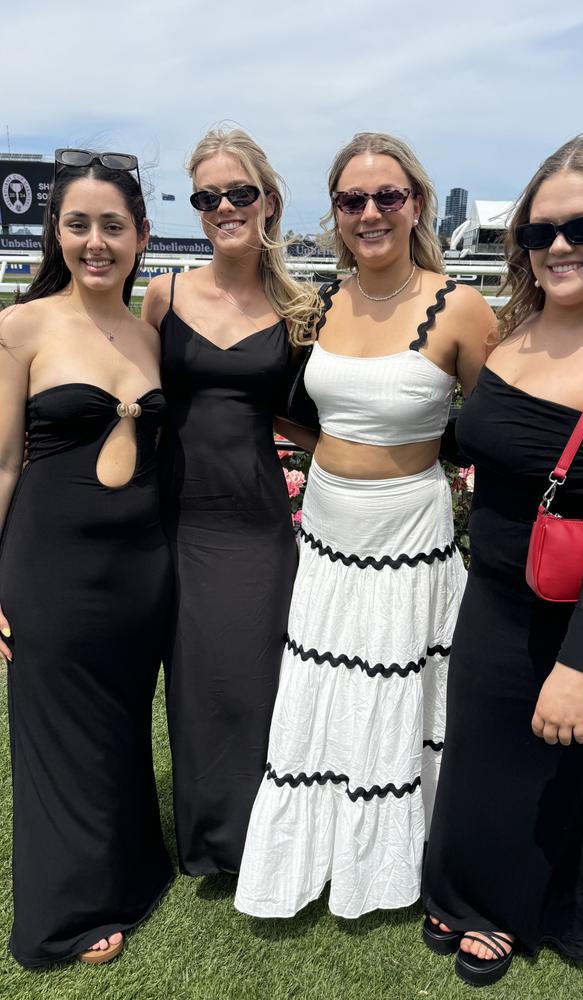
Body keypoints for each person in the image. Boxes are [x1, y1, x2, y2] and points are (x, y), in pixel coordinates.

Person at [234, 132, 496, 919]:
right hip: (324, 528)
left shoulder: (461, 306)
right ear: (337, 212)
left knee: (398, 692)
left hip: (408, 537)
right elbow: (305, 413)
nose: (371, 212)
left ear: (416, 201)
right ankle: (316, 854)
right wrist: (331, 458)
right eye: (353, 200)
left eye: (389, 196)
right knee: (327, 689)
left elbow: (494, 428)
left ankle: (403, 863)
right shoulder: (322, 302)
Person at [421, 131, 583, 986]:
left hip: (579, 610)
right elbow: (478, 439)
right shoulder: (513, 334)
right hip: (493, 590)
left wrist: (578, 666)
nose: (557, 246)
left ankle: (510, 912)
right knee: (480, 751)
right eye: (537, 231)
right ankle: (460, 884)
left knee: (546, 768)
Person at [0, 149, 172, 968]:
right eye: (79, 225)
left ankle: (133, 871)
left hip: (142, 570)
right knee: (57, 737)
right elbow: (0, 464)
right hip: (51, 567)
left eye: (113, 226)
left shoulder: (148, 335)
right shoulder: (22, 327)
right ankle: (62, 917)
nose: (95, 241)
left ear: (141, 235)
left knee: (121, 727)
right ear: (55, 233)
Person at [142, 128, 318, 876]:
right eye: (207, 196)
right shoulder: (165, 292)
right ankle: (207, 840)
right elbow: (135, 394)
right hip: (174, 515)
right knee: (193, 679)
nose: (224, 207)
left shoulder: (299, 306)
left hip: (254, 519)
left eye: (238, 193)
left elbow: (307, 418)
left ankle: (261, 840)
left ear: (268, 201)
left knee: (254, 680)